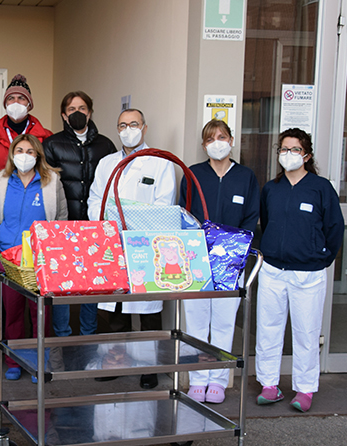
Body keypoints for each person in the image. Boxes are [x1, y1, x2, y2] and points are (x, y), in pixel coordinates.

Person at [255, 128, 344, 413]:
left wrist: (321, 257)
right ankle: (269, 384)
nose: (288, 154)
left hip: (308, 274)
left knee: (306, 332)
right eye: (284, 149)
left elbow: (334, 228)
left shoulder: (321, 188)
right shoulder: (271, 188)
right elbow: (266, 223)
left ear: (306, 155)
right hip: (273, 270)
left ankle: (304, 388)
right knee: (268, 330)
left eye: (295, 149)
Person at [87, 108, 176, 389]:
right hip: (111, 243)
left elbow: (164, 205)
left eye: (133, 124)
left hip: (144, 246)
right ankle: (114, 361)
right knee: (113, 310)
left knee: (147, 312)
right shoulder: (106, 163)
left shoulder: (159, 163)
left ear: (144, 128)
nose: (128, 129)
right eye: (122, 125)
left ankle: (148, 368)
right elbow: (95, 199)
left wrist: (132, 224)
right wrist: (107, 224)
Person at [179, 119, 260, 404]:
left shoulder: (246, 177)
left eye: (222, 137)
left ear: (232, 140)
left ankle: (218, 379)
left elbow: (251, 217)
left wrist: (237, 249)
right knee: (197, 323)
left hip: (231, 262)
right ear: (204, 145)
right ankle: (198, 379)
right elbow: (184, 214)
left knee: (225, 323)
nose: (217, 143)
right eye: (211, 139)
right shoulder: (193, 174)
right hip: (197, 260)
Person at [43, 91, 116, 338]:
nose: (78, 113)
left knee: (92, 282)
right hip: (64, 223)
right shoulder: (52, 144)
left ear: (90, 112)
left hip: (95, 225)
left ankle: (88, 335)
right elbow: (48, 185)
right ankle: (62, 336)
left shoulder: (106, 145)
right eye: (72, 109)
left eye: (82, 108)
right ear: (64, 115)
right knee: (62, 281)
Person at [0, 134, 67, 380]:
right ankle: (14, 361)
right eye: (19, 150)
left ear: (38, 155)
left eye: (30, 151)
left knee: (40, 314)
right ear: (12, 154)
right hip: (9, 256)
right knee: (12, 312)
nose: (24, 155)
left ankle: (41, 362)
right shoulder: (2, 180)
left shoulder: (51, 181)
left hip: (41, 258)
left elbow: (60, 219)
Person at [0, 74, 53, 175]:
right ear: (5, 105)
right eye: (11, 98)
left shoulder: (46, 136)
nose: (16, 102)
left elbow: (50, 171)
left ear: (29, 105)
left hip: (34, 190)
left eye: (21, 98)